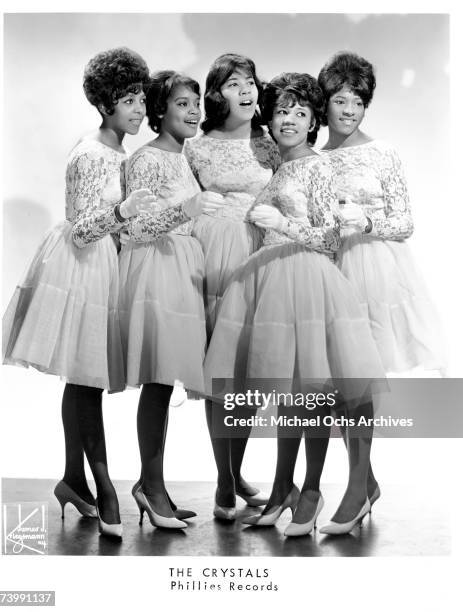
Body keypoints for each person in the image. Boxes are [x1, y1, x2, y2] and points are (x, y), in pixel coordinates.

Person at [203, 72, 385, 536]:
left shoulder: (317, 167)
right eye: (282, 111)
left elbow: (327, 238)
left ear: (313, 123)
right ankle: (283, 487)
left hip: (306, 276)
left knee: (312, 390)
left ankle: (311, 489)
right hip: (268, 278)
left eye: (300, 113)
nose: (289, 120)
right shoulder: (280, 167)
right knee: (288, 392)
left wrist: (281, 224)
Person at [3, 47, 154, 538]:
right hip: (80, 267)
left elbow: (115, 227)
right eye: (130, 100)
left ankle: (72, 479)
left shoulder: (119, 151)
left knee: (85, 381)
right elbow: (82, 229)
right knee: (86, 380)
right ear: (106, 102)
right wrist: (126, 212)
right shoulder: (91, 152)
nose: (139, 109)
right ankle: (105, 487)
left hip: (104, 266)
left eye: (141, 99)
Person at [118, 70, 223, 529]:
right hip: (157, 269)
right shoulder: (147, 159)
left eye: (196, 102)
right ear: (160, 110)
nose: (194, 111)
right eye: (183, 104)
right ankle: (151, 487)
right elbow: (135, 228)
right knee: (159, 381)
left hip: (185, 266)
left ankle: (152, 484)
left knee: (170, 382)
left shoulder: (184, 156)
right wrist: (187, 210)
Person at [184, 53, 280, 519]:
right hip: (214, 255)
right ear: (215, 94)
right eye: (233, 83)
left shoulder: (270, 141)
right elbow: (184, 200)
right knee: (219, 372)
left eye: (250, 82)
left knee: (253, 370)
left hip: (263, 254)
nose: (246, 91)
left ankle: (234, 471)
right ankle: (225, 482)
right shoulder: (197, 147)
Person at [319, 51, 446, 375]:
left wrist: (367, 223)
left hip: (379, 269)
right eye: (341, 100)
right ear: (325, 102)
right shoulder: (314, 160)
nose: (350, 111)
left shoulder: (382, 152)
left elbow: (405, 223)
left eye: (358, 102)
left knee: (378, 363)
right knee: (339, 371)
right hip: (330, 270)